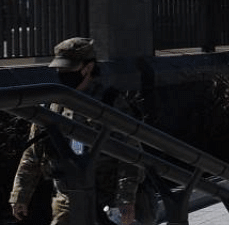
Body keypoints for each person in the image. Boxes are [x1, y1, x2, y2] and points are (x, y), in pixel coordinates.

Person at [9, 37, 150, 225]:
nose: (63, 74)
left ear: (88, 68)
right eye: (60, 69)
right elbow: (33, 154)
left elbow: (131, 155)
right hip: (67, 198)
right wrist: (20, 194)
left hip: (107, 199)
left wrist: (125, 199)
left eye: (69, 69)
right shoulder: (53, 104)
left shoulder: (110, 104)